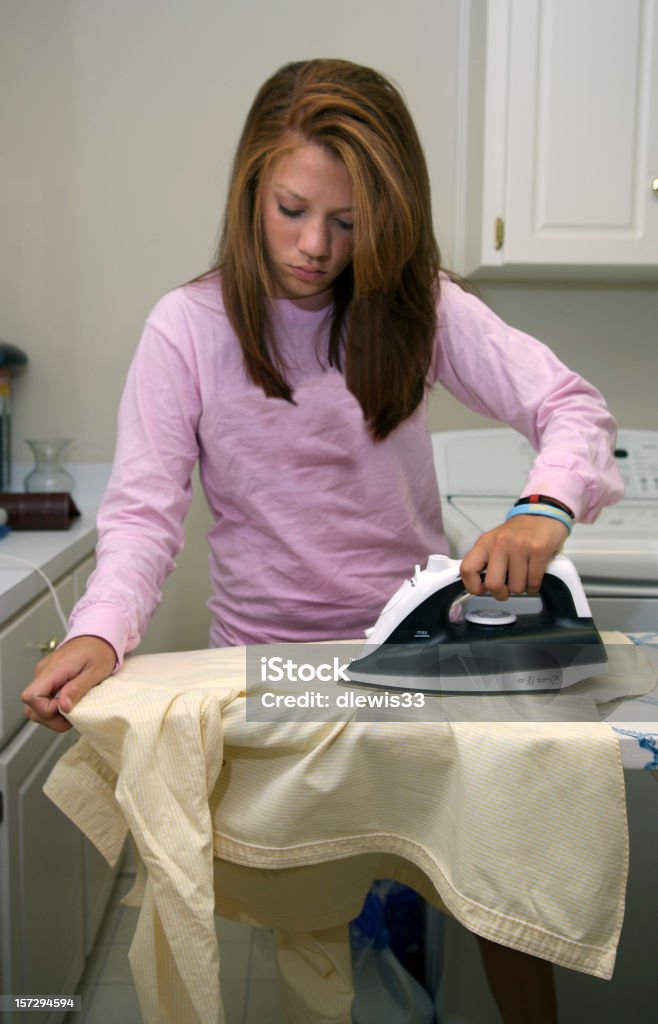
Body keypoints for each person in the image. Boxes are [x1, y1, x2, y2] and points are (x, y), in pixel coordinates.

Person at [22, 58, 623, 1023]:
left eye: (348, 224)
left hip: (405, 658)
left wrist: (543, 509)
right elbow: (142, 515)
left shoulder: (416, 303)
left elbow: (568, 404)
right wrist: (100, 632)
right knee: (273, 900)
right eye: (293, 209)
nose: (315, 247)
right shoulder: (188, 328)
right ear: (251, 187)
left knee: (500, 868)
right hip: (266, 671)